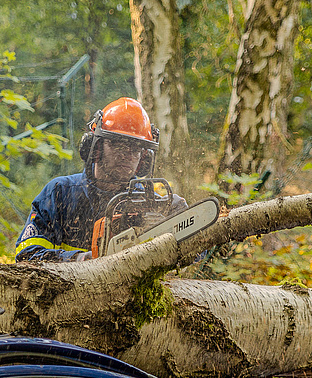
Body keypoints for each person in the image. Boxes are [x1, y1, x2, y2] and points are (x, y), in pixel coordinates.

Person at [15, 97, 186, 262]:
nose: (128, 155)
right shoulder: (61, 193)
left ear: (144, 158)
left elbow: (190, 256)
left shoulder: (146, 201)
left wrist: (181, 229)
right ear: (95, 147)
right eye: (119, 145)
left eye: (136, 149)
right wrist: (79, 259)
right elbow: (26, 253)